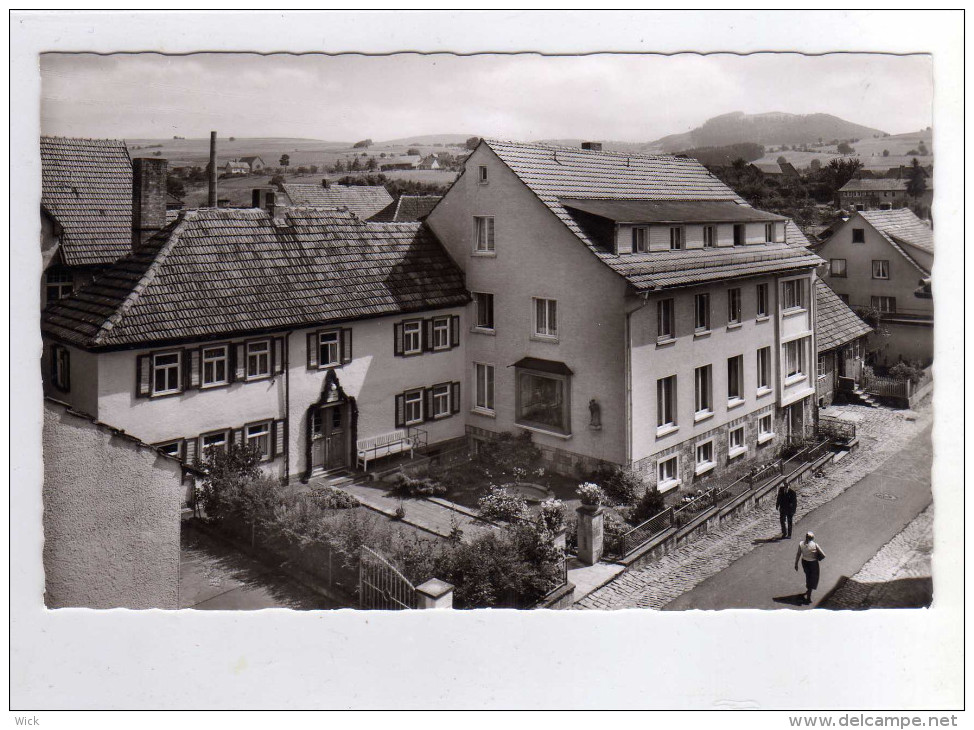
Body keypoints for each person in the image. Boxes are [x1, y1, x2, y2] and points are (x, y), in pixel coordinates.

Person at [795, 531, 826, 604]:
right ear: (812, 538)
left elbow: (798, 554)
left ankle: (808, 589)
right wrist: (818, 558)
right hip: (813, 564)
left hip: (804, 562)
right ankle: (808, 597)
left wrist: (796, 564)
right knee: (813, 579)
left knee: (808, 576)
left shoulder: (801, 544)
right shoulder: (815, 545)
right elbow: (823, 555)